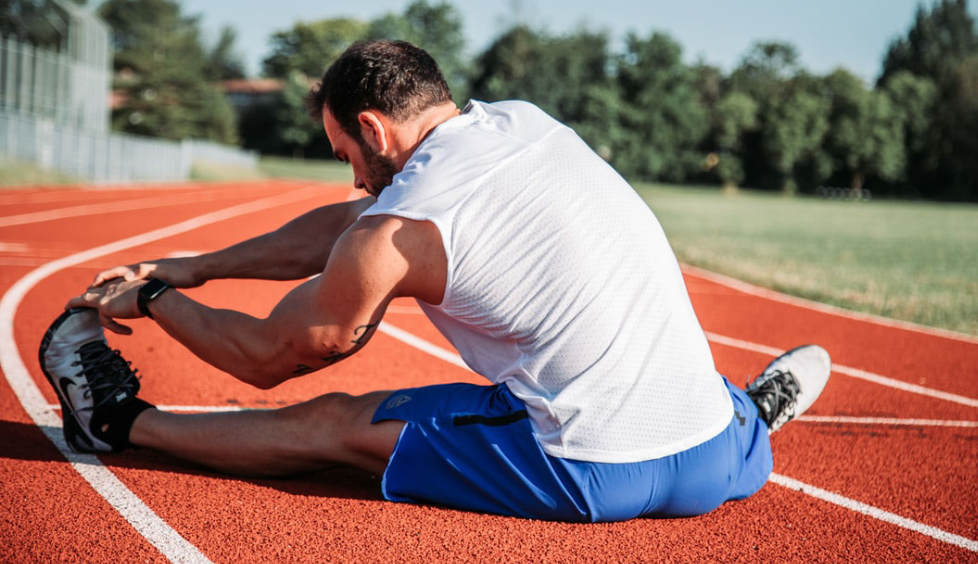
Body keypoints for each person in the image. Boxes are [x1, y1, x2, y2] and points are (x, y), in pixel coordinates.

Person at [39, 40, 830, 522]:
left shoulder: (396, 230)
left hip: (587, 465)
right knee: (657, 355)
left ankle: (116, 424)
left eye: (346, 154)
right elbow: (349, 227)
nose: (351, 178)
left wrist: (153, 297)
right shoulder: (520, 123)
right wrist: (196, 266)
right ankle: (751, 418)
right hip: (710, 459)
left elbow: (270, 355)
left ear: (375, 130)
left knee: (331, 425)